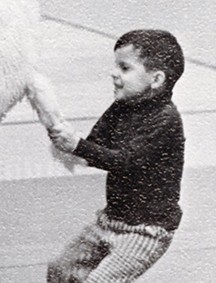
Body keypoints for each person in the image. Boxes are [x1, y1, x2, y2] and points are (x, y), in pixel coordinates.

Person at [48, 29, 185, 283]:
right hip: (110, 221)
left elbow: (125, 162)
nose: (114, 73)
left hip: (146, 232)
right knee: (60, 271)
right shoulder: (120, 107)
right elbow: (94, 148)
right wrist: (64, 144)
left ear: (156, 80)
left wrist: (77, 145)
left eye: (124, 68)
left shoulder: (166, 119)